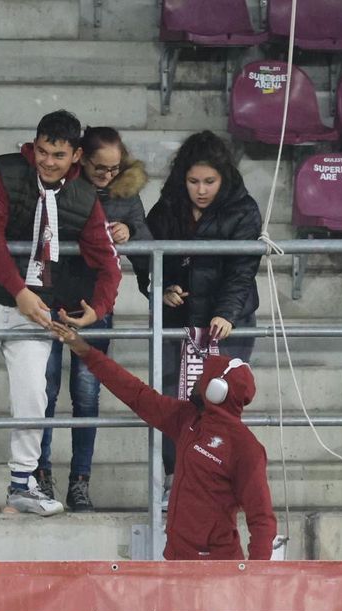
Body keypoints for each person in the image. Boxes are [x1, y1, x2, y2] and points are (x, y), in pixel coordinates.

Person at [0, 110, 122, 516]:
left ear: (76, 155)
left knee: (34, 393)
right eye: (43, 151)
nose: (48, 161)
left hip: (37, 302)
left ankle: (22, 484)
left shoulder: (84, 196)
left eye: (58, 155)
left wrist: (96, 310)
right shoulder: (4, 170)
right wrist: (18, 292)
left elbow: (109, 262)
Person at [51, 322, 275, 560]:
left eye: (202, 377)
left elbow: (262, 519)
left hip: (216, 568)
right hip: (175, 559)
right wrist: (85, 351)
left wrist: (254, 579)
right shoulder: (187, 418)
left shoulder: (246, 448)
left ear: (216, 390)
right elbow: (135, 393)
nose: (195, 380)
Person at [138, 130, 262, 502]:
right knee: (174, 404)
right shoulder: (168, 205)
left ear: (223, 178)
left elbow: (242, 269)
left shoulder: (244, 209)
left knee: (221, 407)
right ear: (182, 179)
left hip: (228, 325)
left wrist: (226, 313)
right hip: (178, 323)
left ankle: (220, 485)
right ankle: (176, 482)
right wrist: (160, 288)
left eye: (209, 181)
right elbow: (149, 256)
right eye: (193, 181)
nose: (201, 190)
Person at [34, 126, 152, 512]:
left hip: (95, 305)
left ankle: (80, 482)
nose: (107, 176)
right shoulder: (58, 185)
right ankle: (41, 475)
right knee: (45, 392)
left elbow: (149, 243)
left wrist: (130, 231)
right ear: (81, 159)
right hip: (50, 300)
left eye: (114, 169)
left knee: (86, 395)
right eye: (100, 168)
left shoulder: (125, 193)